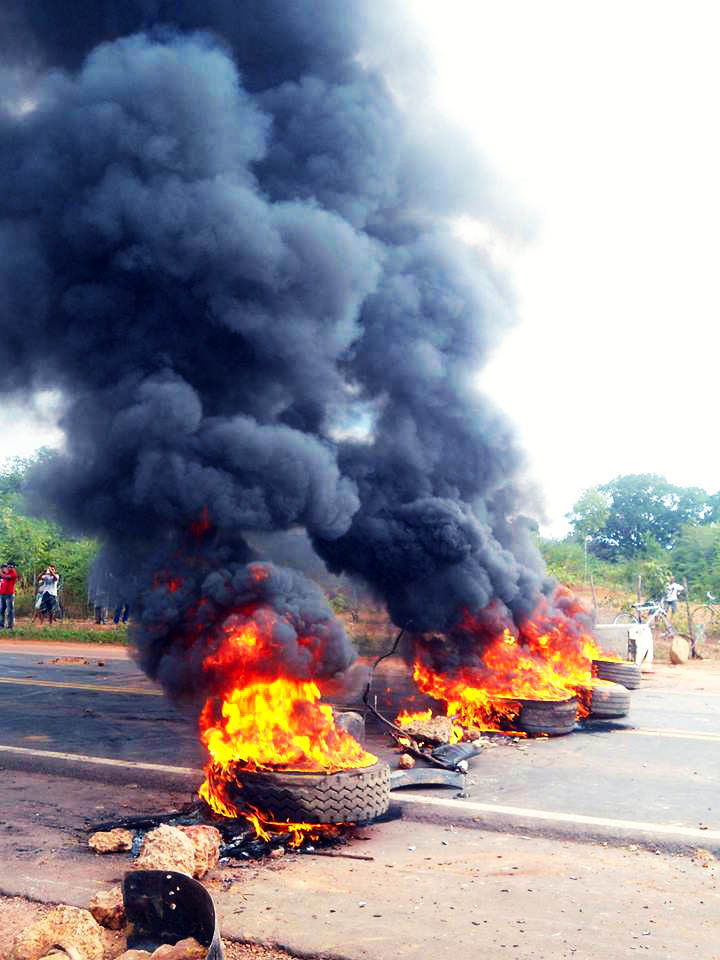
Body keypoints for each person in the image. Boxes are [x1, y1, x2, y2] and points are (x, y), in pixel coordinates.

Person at [0, 561, 18, 629]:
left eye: (10, 566)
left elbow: (5, 577)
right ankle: (1, 626)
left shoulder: (13, 573)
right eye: (8, 566)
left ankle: (10, 627)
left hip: (9, 594)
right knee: (1, 611)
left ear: (13, 567)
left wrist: (1, 572)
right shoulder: (7, 571)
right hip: (2, 594)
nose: (8, 567)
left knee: (10, 611)